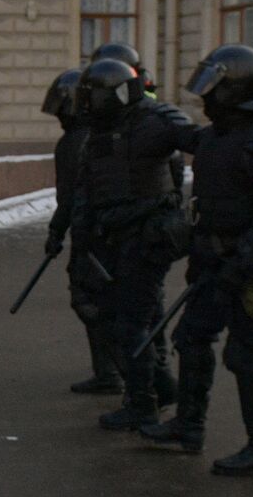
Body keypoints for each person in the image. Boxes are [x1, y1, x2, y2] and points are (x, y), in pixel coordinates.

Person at [138, 46, 253, 475]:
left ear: (235, 90)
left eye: (212, 90)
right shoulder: (213, 138)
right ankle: (189, 426)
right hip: (212, 262)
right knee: (191, 338)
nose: (205, 100)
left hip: (250, 269)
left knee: (247, 354)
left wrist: (241, 262)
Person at [75, 58, 194, 429]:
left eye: (93, 95)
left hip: (148, 238)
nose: (87, 103)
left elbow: (199, 142)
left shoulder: (153, 120)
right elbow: (91, 188)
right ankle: (159, 388)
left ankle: (143, 403)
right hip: (117, 239)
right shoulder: (101, 131)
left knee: (132, 322)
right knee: (129, 317)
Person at [43, 67, 120, 393]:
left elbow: (74, 196)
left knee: (91, 302)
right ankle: (109, 372)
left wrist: (57, 231)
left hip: (93, 235)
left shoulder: (80, 141)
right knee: (96, 302)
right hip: (93, 232)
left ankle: (119, 373)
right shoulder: (87, 138)